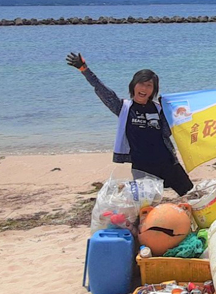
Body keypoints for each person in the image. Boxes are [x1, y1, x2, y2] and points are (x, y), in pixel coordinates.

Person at [66, 52, 194, 196]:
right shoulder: (123, 108)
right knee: (146, 207)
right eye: (141, 84)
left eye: (149, 85)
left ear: (153, 90)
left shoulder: (160, 109)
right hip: (143, 168)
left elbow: (180, 122)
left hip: (169, 164)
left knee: (191, 194)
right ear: (133, 85)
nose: (144, 89)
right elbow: (101, 90)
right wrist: (84, 69)